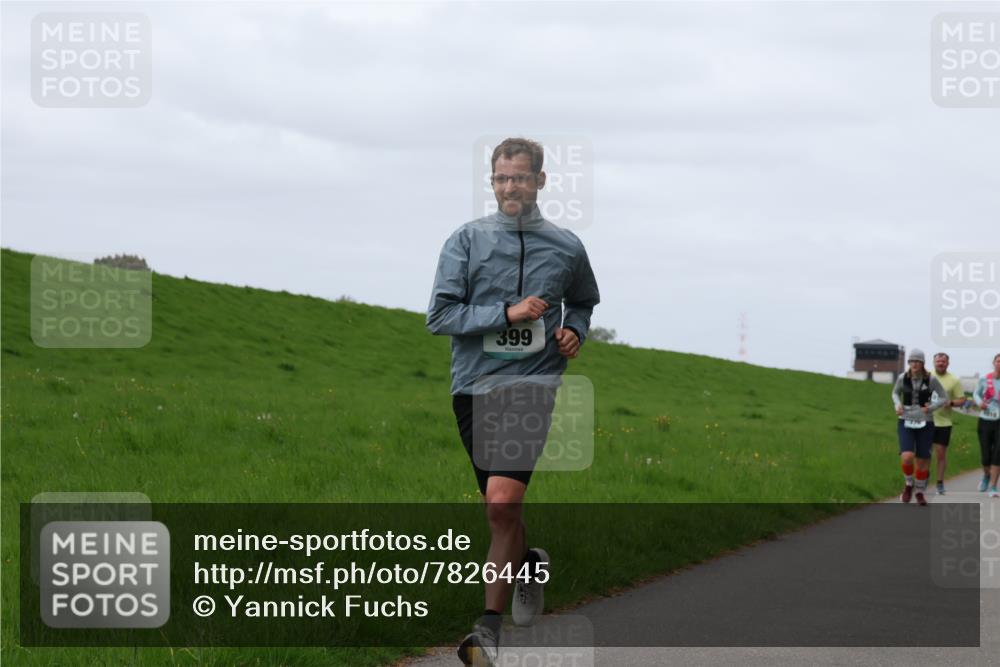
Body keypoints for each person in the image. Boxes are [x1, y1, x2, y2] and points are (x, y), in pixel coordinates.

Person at [426, 137, 600, 666]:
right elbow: (440, 317)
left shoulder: (567, 246)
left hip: (535, 384)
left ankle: (487, 631)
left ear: (540, 181)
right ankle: (528, 564)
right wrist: (506, 313)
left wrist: (573, 330)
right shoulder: (466, 241)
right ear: (492, 182)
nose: (510, 187)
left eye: (520, 178)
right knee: (500, 511)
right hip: (473, 385)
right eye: (501, 179)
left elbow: (585, 301)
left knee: (503, 502)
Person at [891, 349, 948, 506]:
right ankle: (909, 484)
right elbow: (895, 393)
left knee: (923, 461)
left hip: (926, 422)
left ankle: (920, 492)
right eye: (911, 361)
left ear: (922, 363)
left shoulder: (931, 379)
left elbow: (944, 397)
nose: (914, 364)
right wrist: (898, 404)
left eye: (917, 361)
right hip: (906, 420)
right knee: (907, 456)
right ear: (908, 363)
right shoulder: (903, 377)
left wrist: (931, 408)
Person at [930, 352, 968, 494]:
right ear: (934, 362)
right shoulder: (927, 376)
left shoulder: (953, 380)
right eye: (938, 361)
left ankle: (939, 483)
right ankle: (922, 480)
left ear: (948, 363)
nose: (940, 363)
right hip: (926, 420)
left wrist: (951, 402)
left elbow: (962, 399)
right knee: (923, 453)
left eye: (943, 361)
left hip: (943, 422)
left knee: (940, 454)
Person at [973, 353, 1000, 497]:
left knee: (998, 454)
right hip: (985, 420)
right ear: (994, 363)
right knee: (986, 455)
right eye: (998, 361)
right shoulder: (984, 379)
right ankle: (986, 476)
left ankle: (994, 487)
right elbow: (975, 394)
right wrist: (979, 403)